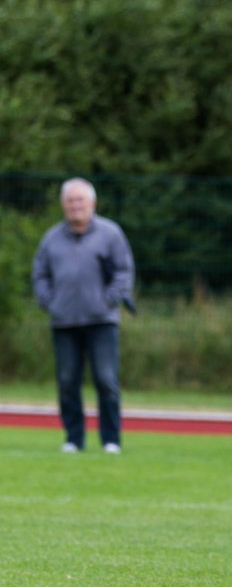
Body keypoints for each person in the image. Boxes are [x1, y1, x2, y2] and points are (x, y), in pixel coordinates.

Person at [32, 178, 136, 455]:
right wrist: (49, 302)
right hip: (63, 321)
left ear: (92, 203)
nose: (75, 206)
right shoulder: (51, 238)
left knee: (106, 380)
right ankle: (73, 439)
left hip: (102, 321)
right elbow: (40, 274)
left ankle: (111, 440)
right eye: (70, 201)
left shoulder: (111, 233)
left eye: (80, 200)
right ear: (63, 205)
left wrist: (109, 300)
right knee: (67, 381)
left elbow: (125, 272)